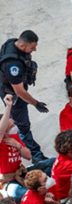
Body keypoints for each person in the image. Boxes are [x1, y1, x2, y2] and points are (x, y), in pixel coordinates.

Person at [0, 30, 47, 162]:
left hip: (8, 85)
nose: (35, 50)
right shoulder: (12, 65)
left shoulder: (11, 42)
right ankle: (36, 156)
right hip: (13, 95)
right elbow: (19, 92)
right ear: (22, 46)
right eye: (32, 48)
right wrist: (36, 103)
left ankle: (9, 123)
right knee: (23, 126)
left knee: (16, 119)